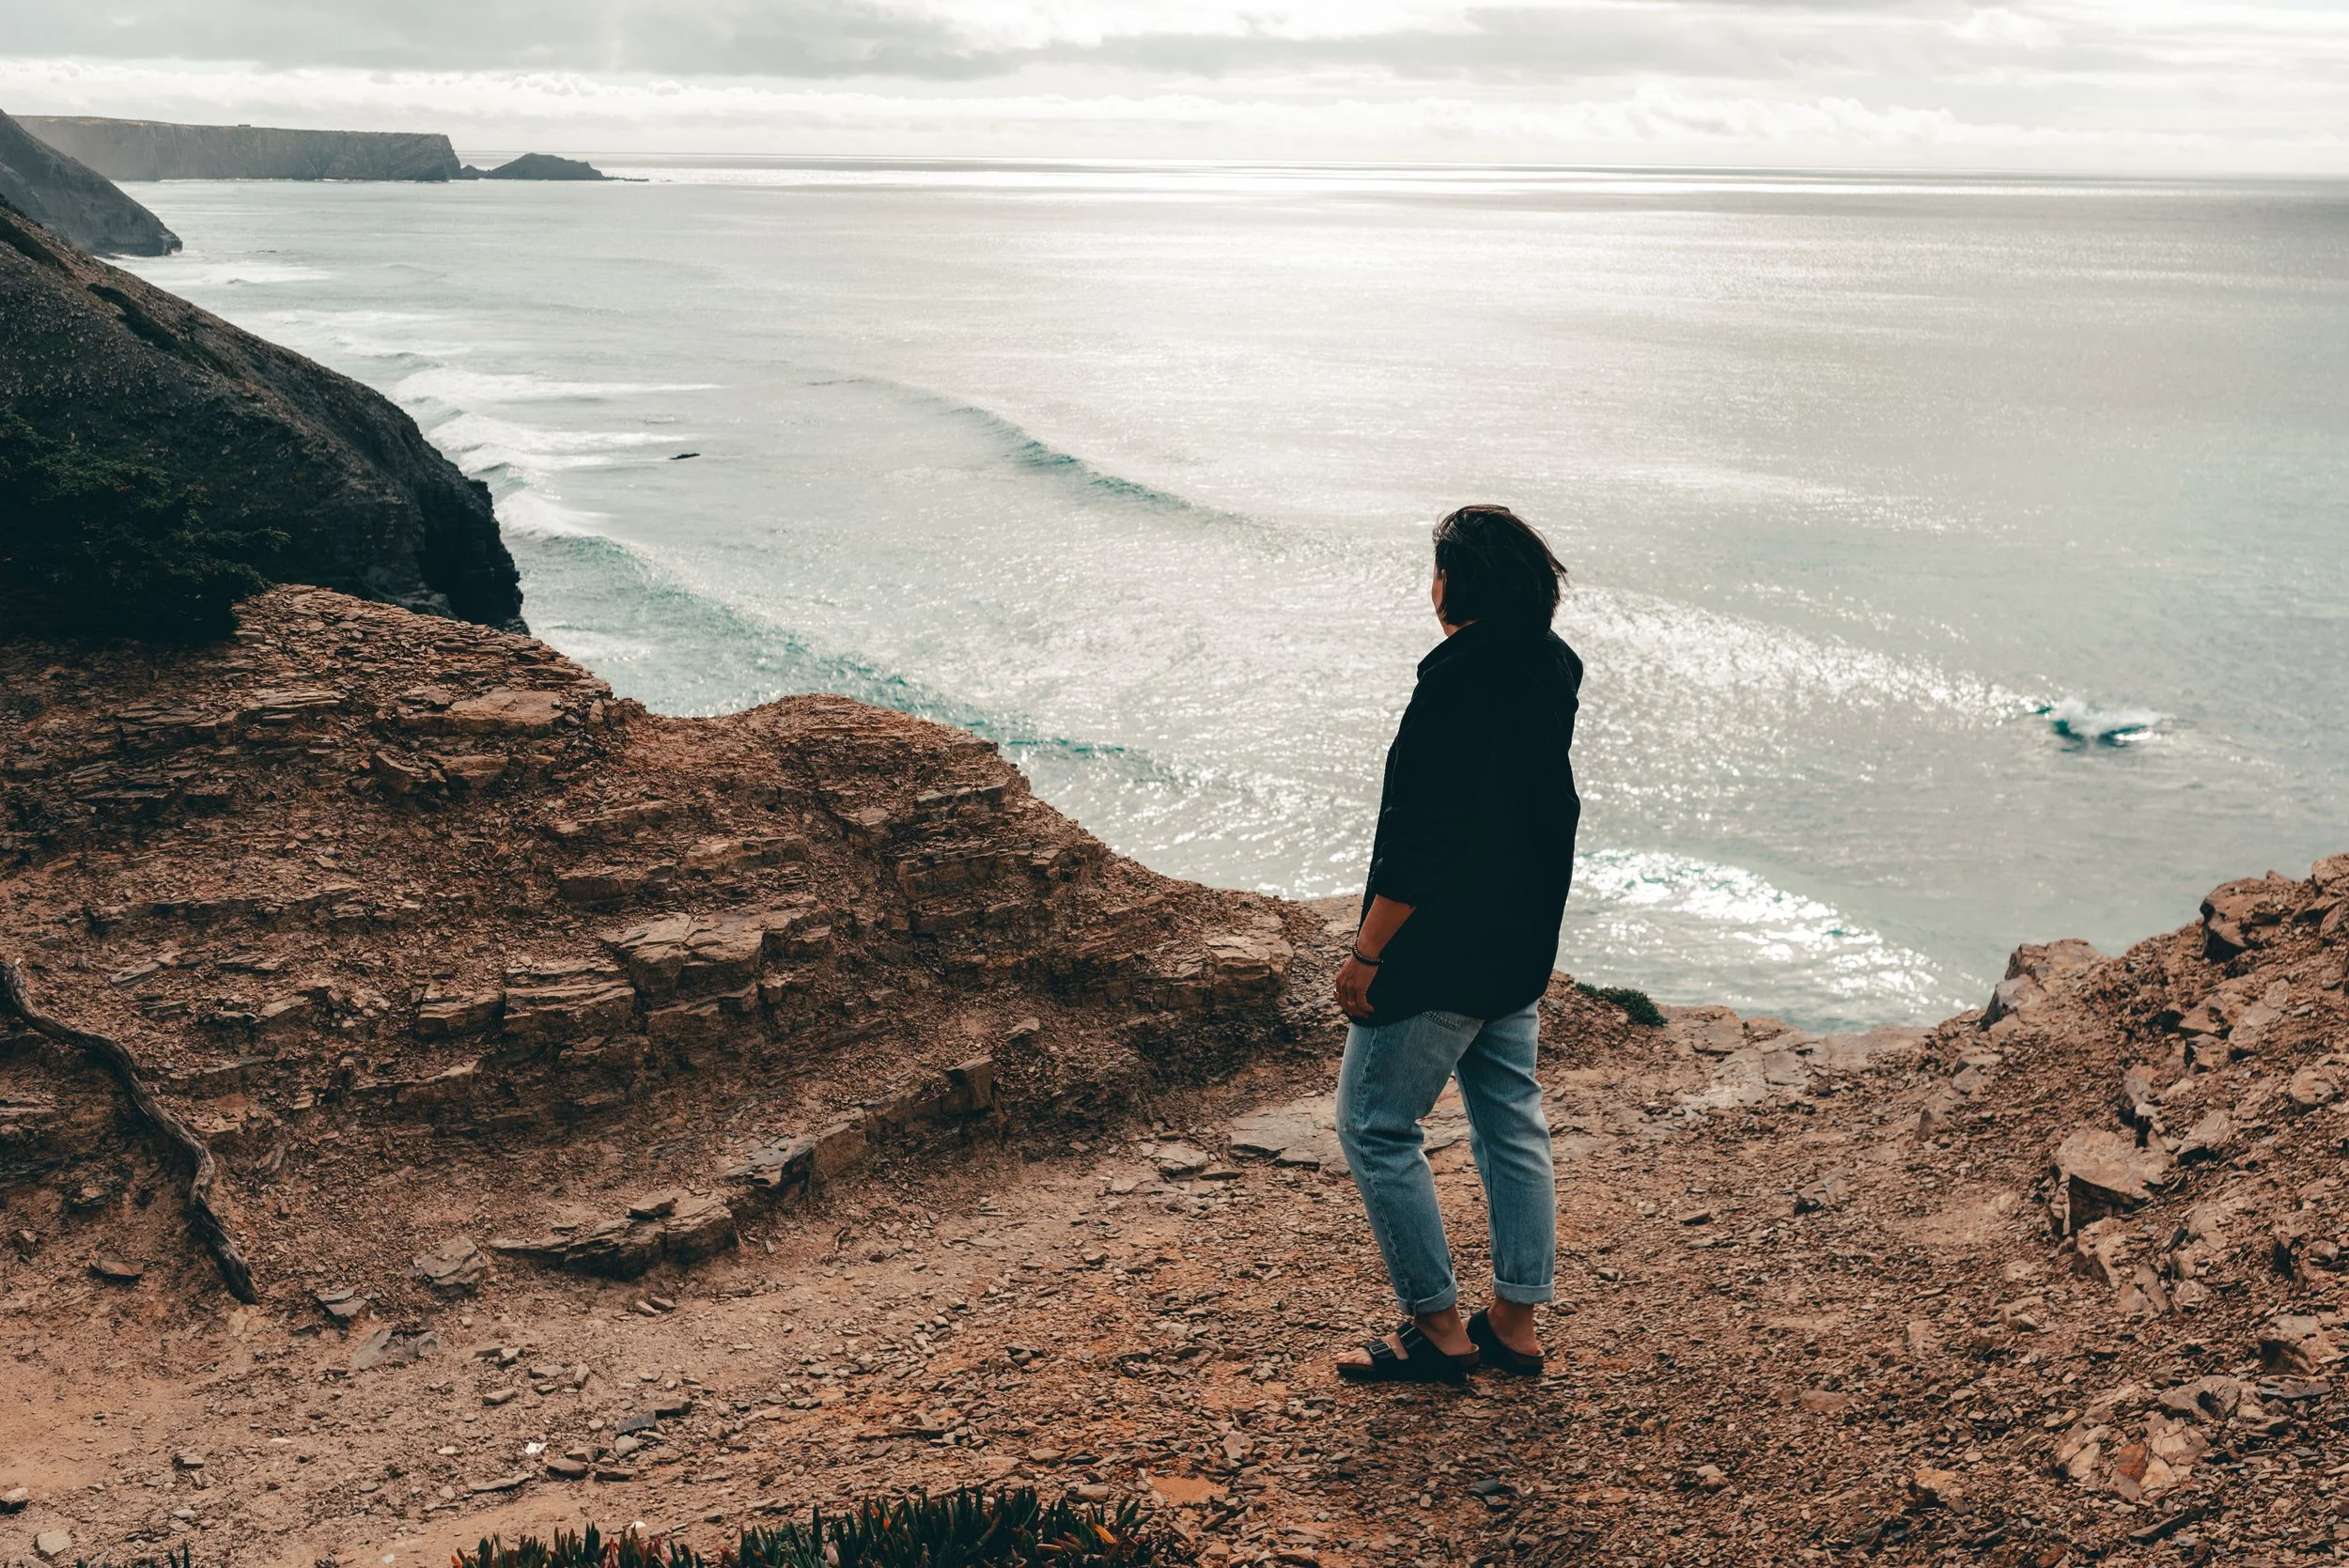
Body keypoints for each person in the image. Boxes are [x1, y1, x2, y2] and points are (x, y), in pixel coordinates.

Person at [1331, 504, 1582, 1384]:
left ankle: (1437, 1330)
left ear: (1454, 584)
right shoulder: (1552, 670)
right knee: (1510, 1120)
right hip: (1517, 942)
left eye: (1437, 569)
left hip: (1442, 947)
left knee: (1374, 1123)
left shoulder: (1455, 680)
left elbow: (1422, 835)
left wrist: (1367, 953)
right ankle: (1514, 1321)